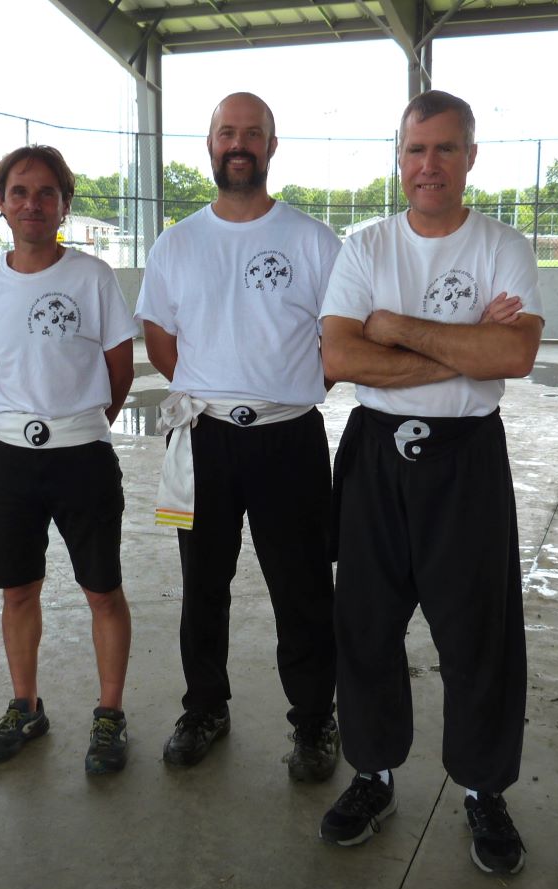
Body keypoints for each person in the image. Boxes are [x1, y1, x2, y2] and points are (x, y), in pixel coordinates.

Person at [317, 90, 542, 873]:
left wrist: (396, 326)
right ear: (400, 157)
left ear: (470, 156)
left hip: (466, 459)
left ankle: (484, 789)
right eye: (416, 150)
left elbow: (513, 358)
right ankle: (373, 773)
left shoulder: (502, 247)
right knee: (367, 624)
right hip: (376, 455)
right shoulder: (367, 246)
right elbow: (339, 359)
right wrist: (464, 344)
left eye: (446, 149)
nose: (429, 165)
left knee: (477, 633)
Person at [135, 92, 342, 781]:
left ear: (272, 146)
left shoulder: (312, 240)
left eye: (252, 132)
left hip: (291, 441)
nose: (240, 142)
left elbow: (336, 343)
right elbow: (160, 337)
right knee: (203, 585)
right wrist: (212, 389)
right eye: (228, 132)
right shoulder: (178, 242)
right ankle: (205, 708)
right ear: (211, 145)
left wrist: (280, 391)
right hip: (203, 441)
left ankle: (314, 722)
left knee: (304, 587)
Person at [0, 145, 136, 773]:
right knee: (17, 591)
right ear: (2, 203)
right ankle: (24, 704)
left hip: (81, 456)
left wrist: (85, 424)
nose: (31, 204)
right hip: (11, 459)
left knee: (102, 591)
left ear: (65, 202)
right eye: (18, 192)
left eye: (45, 192)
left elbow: (119, 368)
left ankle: (110, 714)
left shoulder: (92, 276)